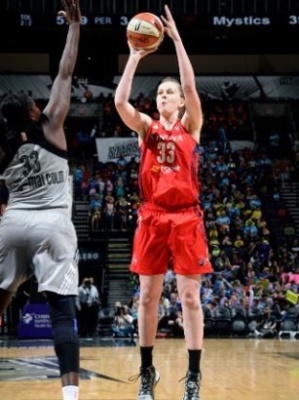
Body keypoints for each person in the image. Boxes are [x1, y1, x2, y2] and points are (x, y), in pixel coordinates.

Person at [114, 5, 213, 400]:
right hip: (153, 217)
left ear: (180, 102)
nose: (164, 95)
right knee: (148, 297)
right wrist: (135, 58)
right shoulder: (146, 128)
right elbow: (121, 102)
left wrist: (177, 41)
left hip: (187, 217)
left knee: (190, 297)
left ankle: (193, 377)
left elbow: (191, 87)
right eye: (160, 92)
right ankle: (146, 373)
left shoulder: (191, 125)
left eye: (168, 91)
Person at [0, 1, 81, 399]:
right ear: (32, 111)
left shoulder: (3, 146)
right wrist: (75, 27)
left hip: (12, 224)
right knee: (62, 312)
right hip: (53, 225)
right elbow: (65, 72)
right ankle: (70, 396)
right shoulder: (50, 123)